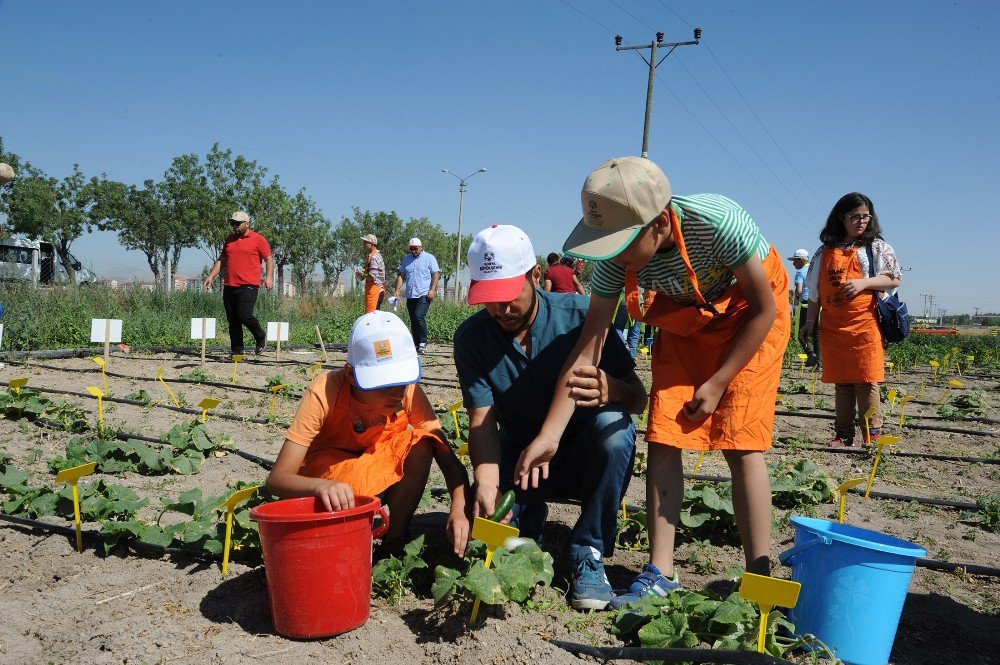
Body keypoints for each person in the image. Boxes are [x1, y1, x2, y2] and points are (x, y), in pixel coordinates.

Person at [516, 157, 790, 609]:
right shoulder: (611, 263)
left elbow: (765, 309)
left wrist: (720, 381)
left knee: (742, 443)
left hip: (752, 317)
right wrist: (550, 434)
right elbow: (589, 346)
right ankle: (660, 572)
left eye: (620, 243)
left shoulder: (719, 221)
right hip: (688, 322)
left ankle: (759, 577)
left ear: (661, 222)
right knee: (664, 436)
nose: (610, 255)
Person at [453, 224, 647, 610]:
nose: (500, 310)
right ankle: (527, 524)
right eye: (489, 300)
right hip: (521, 459)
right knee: (498, 535)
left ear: (535, 275)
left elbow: (639, 398)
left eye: (509, 296)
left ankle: (587, 550)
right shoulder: (472, 338)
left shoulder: (579, 317)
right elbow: (481, 421)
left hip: (581, 455)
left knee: (615, 429)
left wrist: (614, 390)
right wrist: (487, 482)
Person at [265, 311, 471, 557]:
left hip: (376, 473)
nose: (395, 393)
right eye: (382, 385)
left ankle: (394, 540)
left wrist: (459, 508)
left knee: (422, 444)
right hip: (333, 485)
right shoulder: (324, 392)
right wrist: (319, 487)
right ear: (352, 375)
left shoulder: (408, 392)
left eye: (401, 381)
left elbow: (448, 459)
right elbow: (278, 479)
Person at [800, 193, 901, 447]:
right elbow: (815, 292)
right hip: (833, 326)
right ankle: (843, 435)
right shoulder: (824, 252)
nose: (861, 222)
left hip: (866, 324)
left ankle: (872, 434)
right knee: (842, 382)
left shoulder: (876, 247)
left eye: (865, 216)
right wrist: (810, 322)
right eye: (855, 217)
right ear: (841, 218)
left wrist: (864, 283)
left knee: (867, 379)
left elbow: (894, 278)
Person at [203, 211, 274, 356]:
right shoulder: (229, 239)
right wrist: (211, 276)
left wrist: (268, 277)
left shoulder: (258, 239)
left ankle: (260, 336)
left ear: (247, 224)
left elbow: (268, 259)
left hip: (249, 285)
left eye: (237, 223)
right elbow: (222, 260)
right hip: (229, 285)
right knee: (233, 320)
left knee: (244, 315)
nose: (234, 226)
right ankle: (237, 352)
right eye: (232, 223)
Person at [394, 237, 440, 354]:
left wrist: (432, 290)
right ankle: (416, 343)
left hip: (424, 293)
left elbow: (435, 274)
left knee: (419, 315)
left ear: (421, 247)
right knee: (413, 318)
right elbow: (401, 275)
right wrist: (397, 290)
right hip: (411, 294)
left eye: (415, 249)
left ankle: (423, 342)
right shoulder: (407, 259)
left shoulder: (429, 258)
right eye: (411, 249)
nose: (413, 251)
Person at [788, 248, 820, 367]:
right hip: (817, 303)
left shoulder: (800, 272)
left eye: (795, 260)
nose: (793, 263)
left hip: (806, 304)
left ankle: (810, 353)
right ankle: (819, 363)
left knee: (801, 333)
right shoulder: (814, 269)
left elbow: (799, 290)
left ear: (801, 260)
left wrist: (796, 297)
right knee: (817, 333)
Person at [356, 234, 386, 314]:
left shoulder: (374, 257)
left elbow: (372, 277)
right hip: (378, 290)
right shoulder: (376, 255)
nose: (364, 244)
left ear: (372, 244)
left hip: (375, 291)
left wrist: (361, 274)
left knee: (371, 318)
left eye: (366, 242)